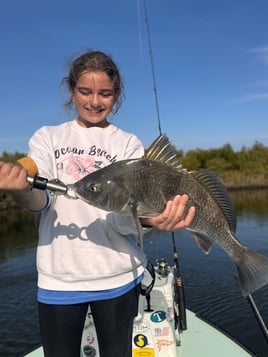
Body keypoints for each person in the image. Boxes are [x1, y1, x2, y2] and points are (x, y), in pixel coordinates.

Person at [0, 50, 195, 357]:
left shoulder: (127, 143)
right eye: (85, 91)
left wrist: (148, 219)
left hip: (119, 276)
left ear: (116, 95)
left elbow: (122, 218)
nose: (94, 101)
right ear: (71, 90)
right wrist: (20, 189)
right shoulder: (47, 137)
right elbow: (41, 200)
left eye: (105, 93)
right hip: (59, 280)